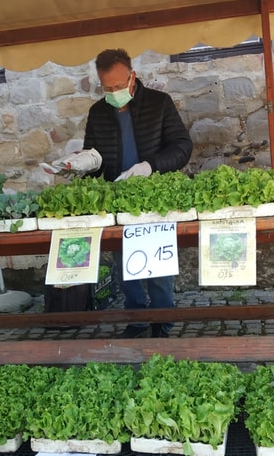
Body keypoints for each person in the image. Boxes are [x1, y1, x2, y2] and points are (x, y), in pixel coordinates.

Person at [82, 48, 193, 338]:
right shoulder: (97, 113)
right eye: (107, 88)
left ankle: (162, 323)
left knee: (157, 264)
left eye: (119, 86)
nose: (114, 92)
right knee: (123, 265)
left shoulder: (159, 104)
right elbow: (93, 158)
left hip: (154, 198)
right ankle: (137, 318)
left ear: (133, 77)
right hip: (117, 200)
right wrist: (78, 165)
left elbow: (182, 148)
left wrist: (149, 166)